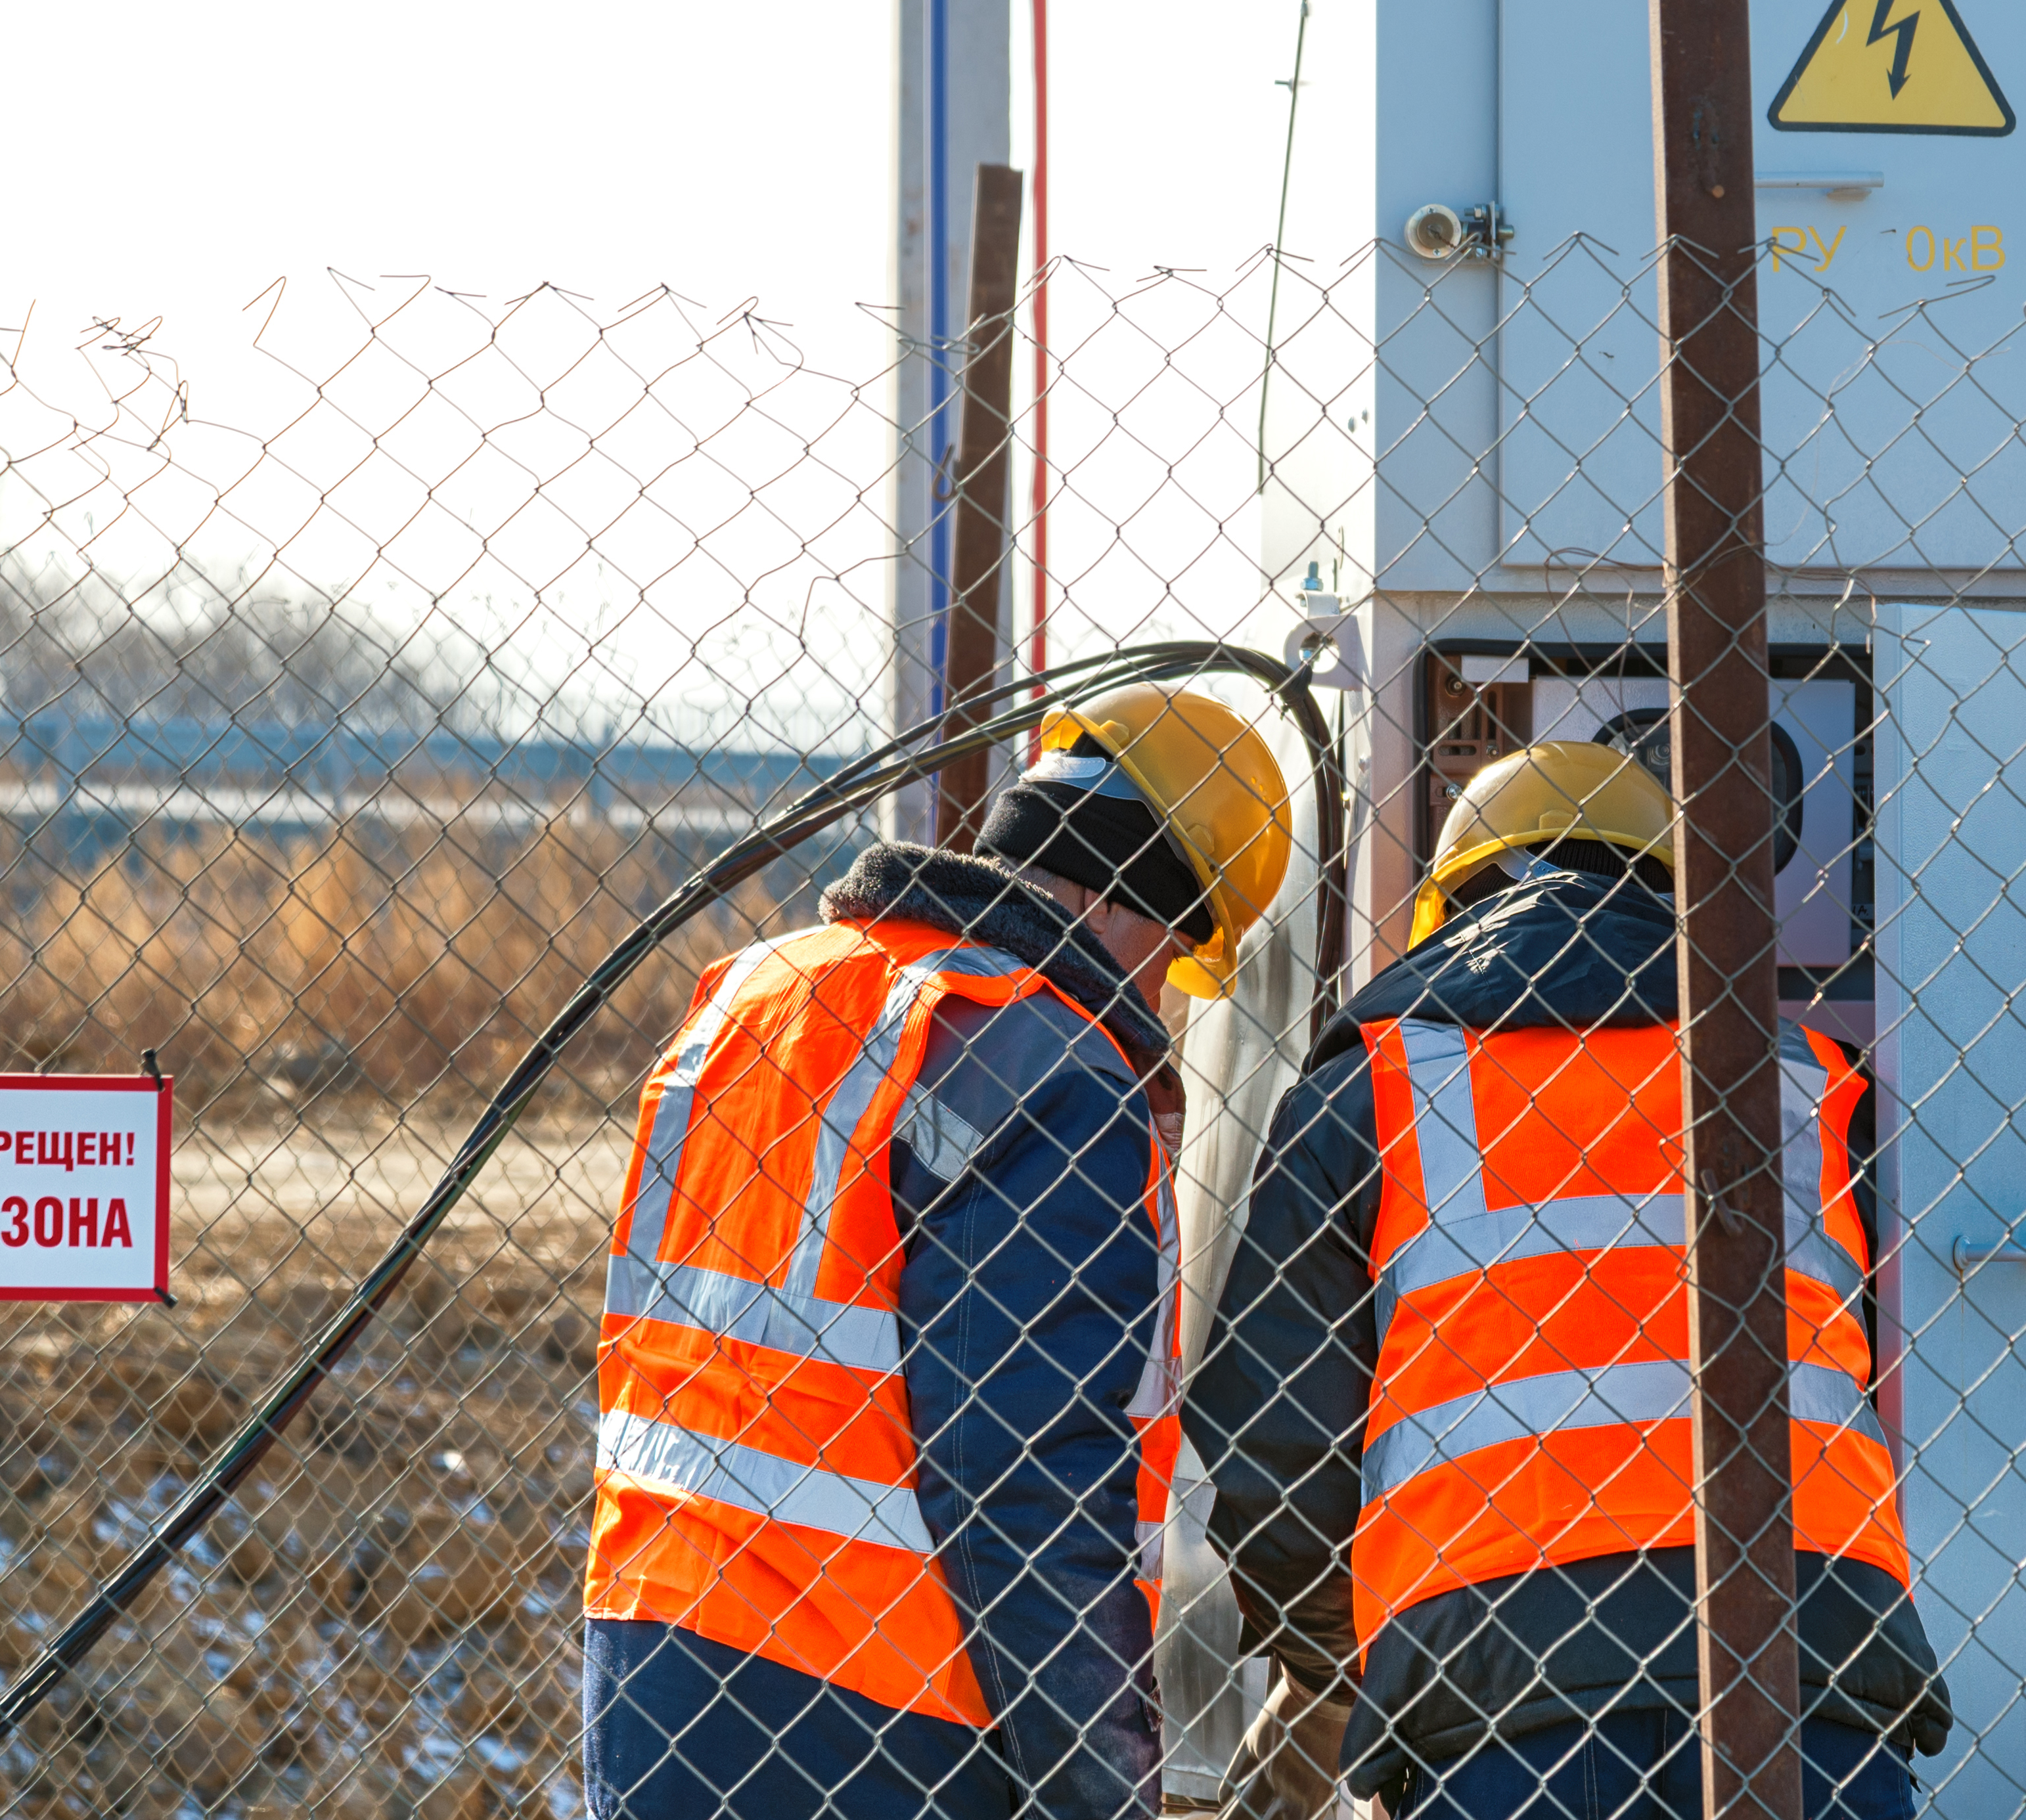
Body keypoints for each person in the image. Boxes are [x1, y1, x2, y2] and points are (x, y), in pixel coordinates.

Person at [1192, 740, 1952, 1820]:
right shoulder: (1819, 1089)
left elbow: (1272, 1463)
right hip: (1810, 1658)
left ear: (1450, 910)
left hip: (1499, 1699)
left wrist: (1391, 1664)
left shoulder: (1371, 1095)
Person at [583, 682, 1294, 1820]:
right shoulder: (1044, 1057)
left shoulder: (764, 990)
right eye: (1174, 956)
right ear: (1121, 900)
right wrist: (1103, 1790)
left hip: (655, 1663)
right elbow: (1027, 1480)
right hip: (876, 1723)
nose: (1156, 1000)